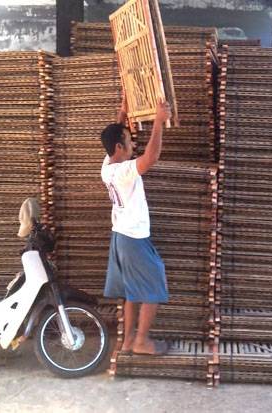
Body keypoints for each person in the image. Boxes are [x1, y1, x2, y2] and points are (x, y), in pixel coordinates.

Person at [100, 97, 172, 356]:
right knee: (153, 286)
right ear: (119, 147)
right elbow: (150, 157)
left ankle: (129, 340)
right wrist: (158, 121)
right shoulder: (124, 171)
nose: (133, 144)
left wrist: (122, 113)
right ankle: (142, 341)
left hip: (121, 236)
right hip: (133, 238)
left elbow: (116, 139)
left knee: (132, 291)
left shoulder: (108, 166)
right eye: (129, 142)